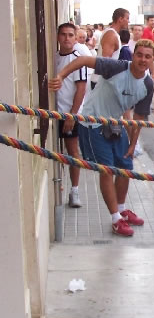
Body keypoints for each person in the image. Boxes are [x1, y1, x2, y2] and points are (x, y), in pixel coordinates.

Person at [48, 40, 154, 236]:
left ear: (153, 59)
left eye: (147, 56)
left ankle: (122, 210)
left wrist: (133, 144)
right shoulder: (116, 67)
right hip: (92, 124)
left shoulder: (148, 84)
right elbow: (82, 60)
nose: (142, 59)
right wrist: (61, 76)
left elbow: (139, 118)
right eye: (139, 54)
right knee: (107, 170)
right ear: (133, 55)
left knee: (126, 167)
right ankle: (115, 219)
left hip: (115, 124)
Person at [53, 23, 88, 208]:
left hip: (70, 115)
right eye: (63, 34)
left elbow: (81, 89)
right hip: (53, 114)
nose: (66, 38)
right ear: (58, 37)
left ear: (75, 38)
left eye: (70, 35)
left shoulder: (78, 61)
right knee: (56, 153)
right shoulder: (53, 58)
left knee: (73, 152)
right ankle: (58, 185)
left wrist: (72, 115)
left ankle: (74, 191)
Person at [93, 8, 129, 89]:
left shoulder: (112, 33)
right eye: (127, 18)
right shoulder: (111, 35)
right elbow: (105, 62)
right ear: (120, 19)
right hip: (101, 83)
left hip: (103, 82)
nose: (128, 21)